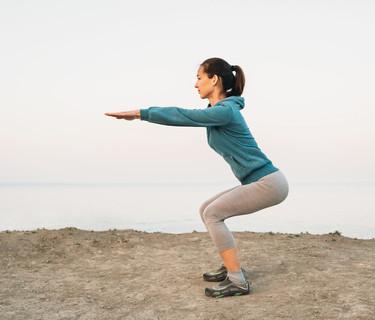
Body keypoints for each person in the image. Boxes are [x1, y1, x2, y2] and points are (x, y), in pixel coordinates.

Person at [105, 57, 289, 298]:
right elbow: (188, 115)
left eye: (199, 78)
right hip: (259, 181)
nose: (195, 85)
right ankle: (231, 267)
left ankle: (237, 281)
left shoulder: (225, 111)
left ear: (214, 79)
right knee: (206, 209)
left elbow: (182, 115)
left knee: (214, 214)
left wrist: (142, 114)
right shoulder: (220, 112)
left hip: (268, 183)